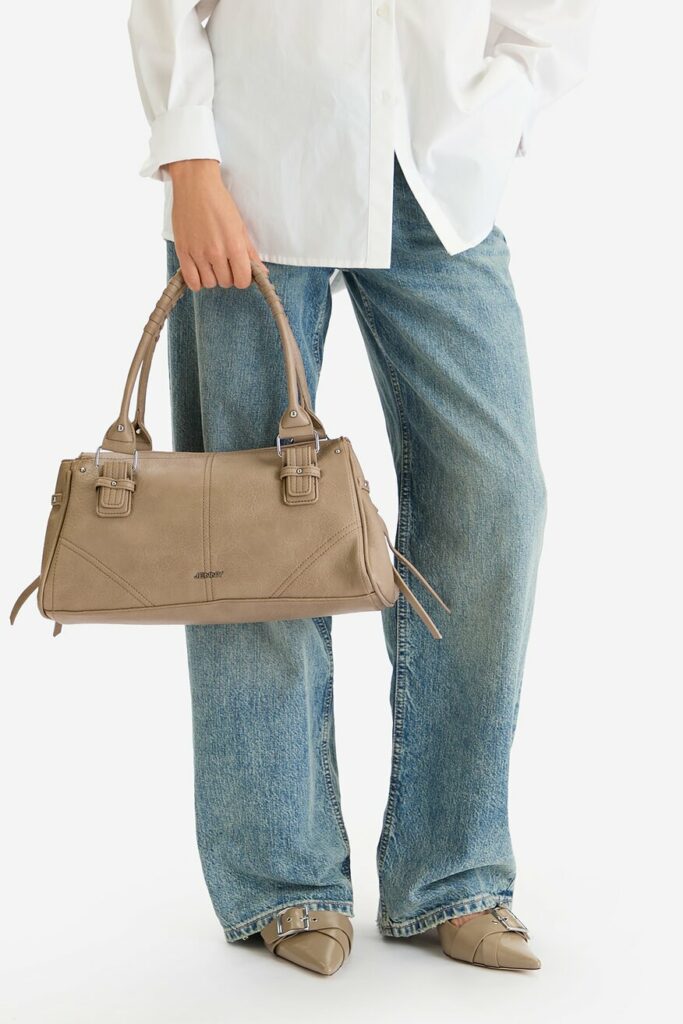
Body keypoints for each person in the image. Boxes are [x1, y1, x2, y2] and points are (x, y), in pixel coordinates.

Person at [127, 0, 595, 976]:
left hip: (437, 177)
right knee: (250, 533)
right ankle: (281, 879)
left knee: (496, 499)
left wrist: (493, 111)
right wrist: (188, 159)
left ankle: (450, 875)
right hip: (256, 172)